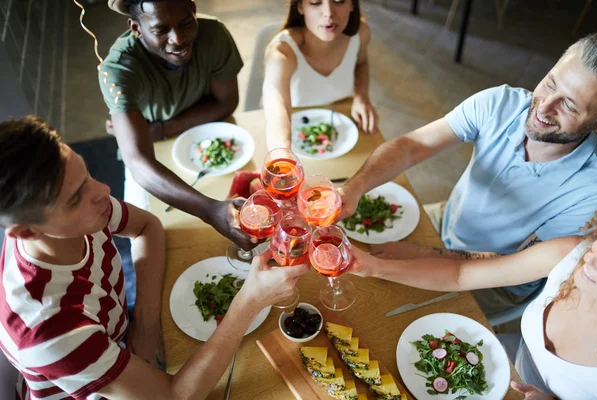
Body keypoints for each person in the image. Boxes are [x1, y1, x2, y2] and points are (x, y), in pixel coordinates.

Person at [0, 116, 309, 399]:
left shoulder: (78, 216)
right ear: (26, 233)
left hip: (118, 342)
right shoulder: (50, 330)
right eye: (76, 197)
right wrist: (250, 301)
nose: (103, 189)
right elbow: (173, 396)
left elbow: (148, 225)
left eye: (87, 174)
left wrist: (145, 325)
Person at [338, 33, 597, 315]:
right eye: (550, 83)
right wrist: (353, 189)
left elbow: (512, 263)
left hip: (498, 280)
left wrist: (423, 253)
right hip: (449, 221)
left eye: (569, 106)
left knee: (385, 311)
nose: (545, 107)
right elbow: (411, 147)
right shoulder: (501, 103)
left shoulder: (592, 193)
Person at [348, 210, 597, 399]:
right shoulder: (574, 253)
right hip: (508, 359)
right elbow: (461, 274)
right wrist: (375, 267)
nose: (593, 258)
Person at [100, 0, 253, 249]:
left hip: (196, 135)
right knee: (151, 233)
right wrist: (210, 210)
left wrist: (157, 130)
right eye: (161, 30)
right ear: (136, 28)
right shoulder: (118, 68)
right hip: (150, 156)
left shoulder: (213, 35)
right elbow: (138, 162)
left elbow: (226, 104)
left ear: (193, 10)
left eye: (186, 24)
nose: (178, 39)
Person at [263, 0, 379, 150]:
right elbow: (275, 107)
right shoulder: (283, 51)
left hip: (342, 118)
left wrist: (362, 97)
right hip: (293, 129)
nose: (329, 13)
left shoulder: (360, 33)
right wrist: (282, 149)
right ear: (300, 7)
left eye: (339, 1)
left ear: (352, 4)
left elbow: (361, 62)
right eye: (315, 2)